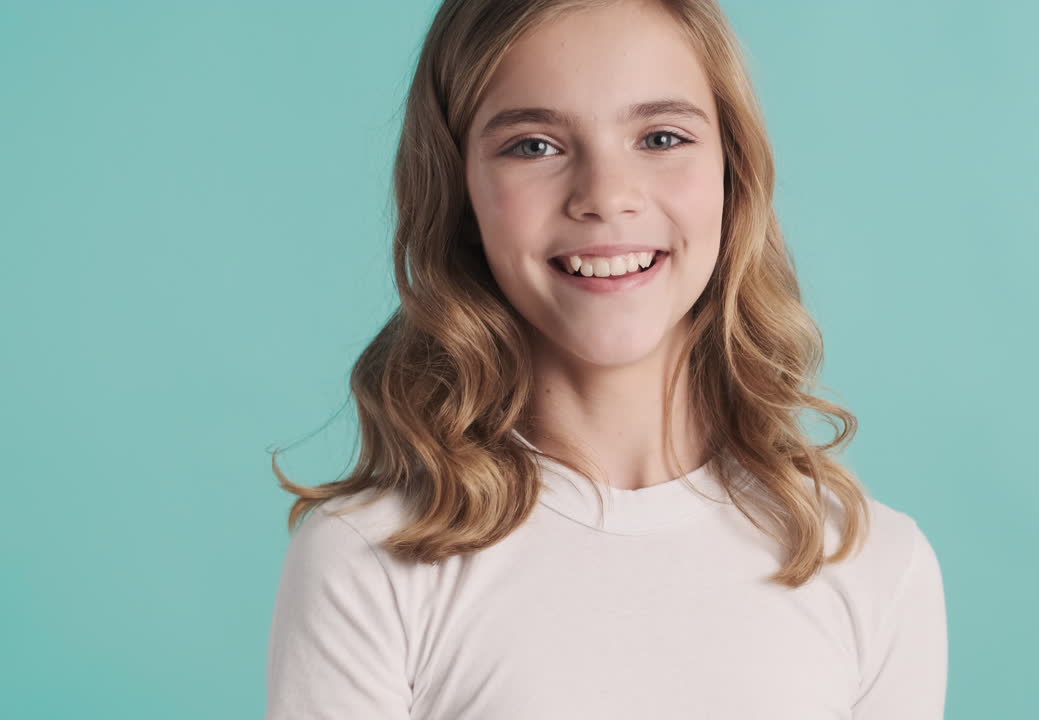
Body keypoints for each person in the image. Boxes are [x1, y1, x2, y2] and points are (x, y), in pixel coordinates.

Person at [263, 0, 948, 717]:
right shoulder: (369, 561)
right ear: (461, 192)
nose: (606, 197)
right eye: (534, 145)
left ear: (733, 174)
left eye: (660, 136)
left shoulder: (873, 565)